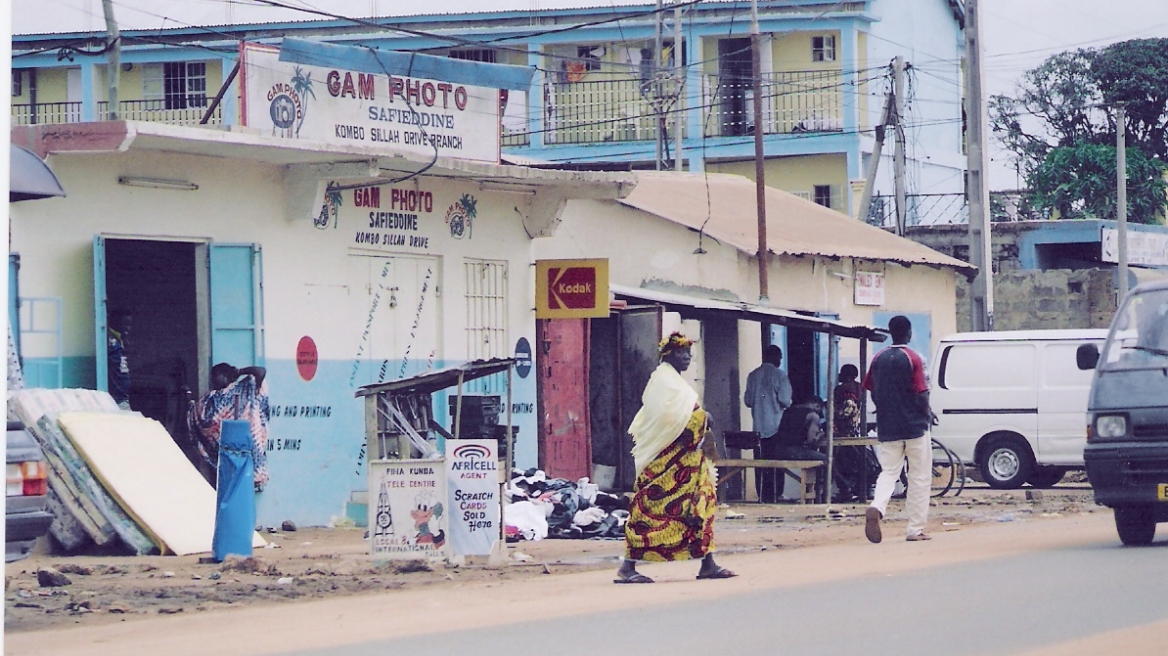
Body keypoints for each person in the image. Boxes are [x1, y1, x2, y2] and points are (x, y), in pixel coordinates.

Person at [615, 332, 736, 584]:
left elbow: (685, 415)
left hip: (689, 463)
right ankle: (627, 567)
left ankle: (708, 563)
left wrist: (701, 417)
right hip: (664, 462)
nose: (686, 358)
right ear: (668, 354)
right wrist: (703, 417)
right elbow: (666, 419)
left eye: (689, 354)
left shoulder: (678, 383)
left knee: (700, 507)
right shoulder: (662, 381)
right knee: (650, 511)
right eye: (682, 353)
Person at [862, 316, 933, 543]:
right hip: (914, 427)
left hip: (888, 426)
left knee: (889, 472)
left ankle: (877, 507)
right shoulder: (913, 358)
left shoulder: (878, 358)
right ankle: (915, 529)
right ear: (909, 333)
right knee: (919, 476)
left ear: (891, 332)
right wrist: (928, 413)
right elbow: (921, 394)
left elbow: (871, 391)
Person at [188, 363, 271, 492]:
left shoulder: (244, 389)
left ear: (225, 375)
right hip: (226, 453)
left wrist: (238, 371)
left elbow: (260, 371)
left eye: (215, 375)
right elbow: (200, 418)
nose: (212, 379)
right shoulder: (211, 398)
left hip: (245, 448)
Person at [744, 344, 793, 503]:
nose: (780, 360)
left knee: (760, 463)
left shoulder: (752, 376)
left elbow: (748, 401)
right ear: (775, 357)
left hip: (758, 427)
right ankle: (777, 494)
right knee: (776, 463)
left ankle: (762, 496)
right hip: (776, 427)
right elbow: (785, 400)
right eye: (780, 357)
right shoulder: (780, 375)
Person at [107, 309, 132, 410]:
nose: (128, 328)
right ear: (115, 322)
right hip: (117, 399)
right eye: (125, 324)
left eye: (129, 324)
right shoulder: (108, 340)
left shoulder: (120, 340)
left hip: (123, 396)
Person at [833, 364, 862, 438]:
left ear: (847, 376)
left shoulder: (842, 388)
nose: (839, 375)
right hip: (854, 422)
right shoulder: (859, 387)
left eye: (841, 372)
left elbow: (844, 409)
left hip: (843, 424)